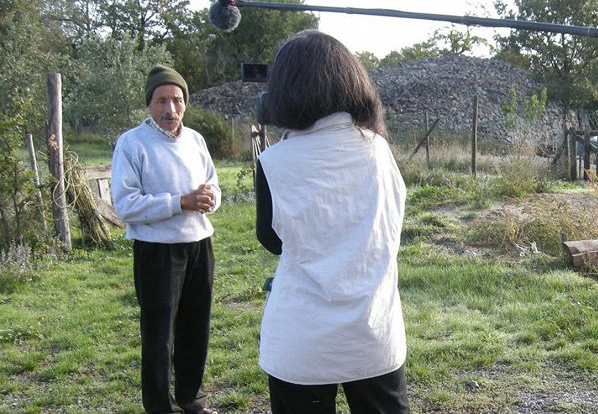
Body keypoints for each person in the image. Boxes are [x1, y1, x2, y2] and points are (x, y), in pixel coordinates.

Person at [255, 30, 410, 413]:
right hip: (372, 329)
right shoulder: (377, 150)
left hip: (301, 337)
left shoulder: (274, 162)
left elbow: (271, 240)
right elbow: (390, 224)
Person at [111, 65, 220, 414]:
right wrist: (180, 202)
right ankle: (160, 407)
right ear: (149, 104)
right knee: (159, 335)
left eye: (177, 100)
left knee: (195, 326)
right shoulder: (132, 143)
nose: (170, 109)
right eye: (162, 100)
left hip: (199, 244)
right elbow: (126, 204)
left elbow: (213, 184)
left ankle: (191, 399)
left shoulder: (196, 140)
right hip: (157, 252)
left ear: (185, 103)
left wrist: (209, 199)